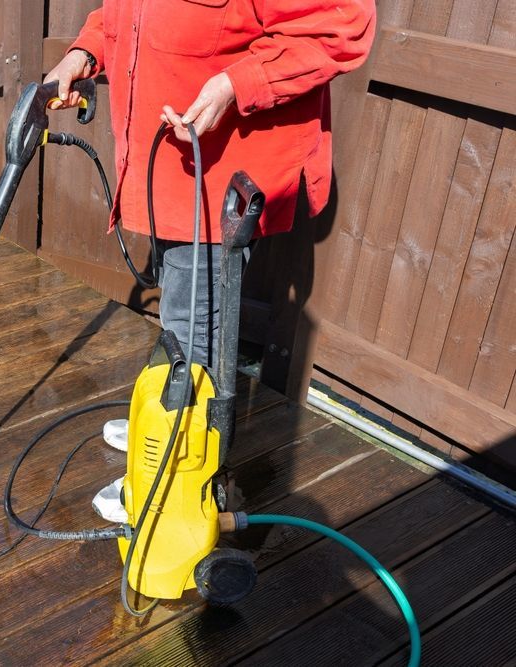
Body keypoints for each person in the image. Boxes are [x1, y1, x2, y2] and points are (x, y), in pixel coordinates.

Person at [44, 0, 376, 521]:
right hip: (168, 166)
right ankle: (164, 420)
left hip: (222, 170)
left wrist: (234, 84)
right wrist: (84, 53)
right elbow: (123, 13)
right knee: (180, 307)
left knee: (194, 326)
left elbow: (339, 28)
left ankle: (168, 484)